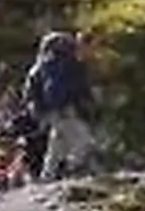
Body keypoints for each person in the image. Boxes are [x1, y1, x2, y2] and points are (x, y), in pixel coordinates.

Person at [22, 31, 95, 181]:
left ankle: (47, 176)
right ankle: (72, 168)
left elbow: (79, 89)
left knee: (57, 141)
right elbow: (55, 89)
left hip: (49, 109)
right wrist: (62, 108)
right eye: (91, 47)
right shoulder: (64, 64)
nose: (92, 53)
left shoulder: (57, 64)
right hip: (60, 109)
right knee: (85, 140)